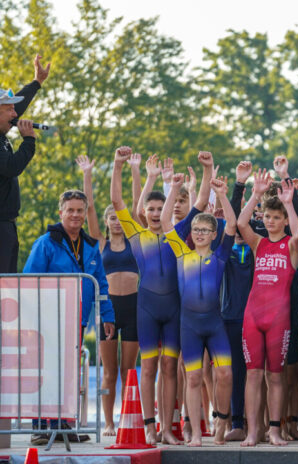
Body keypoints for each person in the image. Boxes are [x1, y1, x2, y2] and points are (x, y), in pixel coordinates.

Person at [24, 189, 115, 444]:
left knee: (69, 373)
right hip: (48, 319)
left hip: (78, 319)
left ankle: (63, 424)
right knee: (47, 371)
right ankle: (41, 427)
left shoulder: (90, 245)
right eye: (70, 210)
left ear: (86, 214)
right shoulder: (46, 243)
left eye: (80, 210)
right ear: (61, 212)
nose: (75, 215)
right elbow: (29, 280)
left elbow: (101, 284)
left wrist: (107, 315)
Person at [111, 146, 188, 445]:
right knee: (149, 366)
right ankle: (149, 426)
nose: (156, 214)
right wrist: (118, 165)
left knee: (170, 367)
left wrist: (176, 187)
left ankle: (168, 427)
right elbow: (117, 201)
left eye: (161, 209)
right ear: (144, 212)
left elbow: (195, 207)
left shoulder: (176, 233)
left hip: (173, 308)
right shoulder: (136, 234)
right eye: (151, 209)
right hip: (147, 308)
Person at [161, 171, 235, 447]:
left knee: (225, 374)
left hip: (214, 323)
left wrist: (224, 196)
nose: (201, 234)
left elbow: (232, 225)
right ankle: (193, 431)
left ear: (213, 234)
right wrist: (175, 188)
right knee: (192, 378)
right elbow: (167, 221)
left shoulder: (220, 255)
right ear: (191, 233)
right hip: (189, 325)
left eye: (205, 230)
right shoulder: (182, 253)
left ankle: (221, 422)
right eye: (196, 230)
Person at [236, 171, 298, 447]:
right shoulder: (258, 243)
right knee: (253, 374)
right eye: (268, 217)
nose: (271, 221)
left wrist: (288, 203)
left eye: (277, 218)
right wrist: (255, 195)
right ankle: (254, 431)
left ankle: (274, 430)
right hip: (253, 317)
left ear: (284, 221)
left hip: (279, 320)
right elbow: (241, 223)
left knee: (275, 377)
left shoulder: (291, 245)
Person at [76, 154, 141, 437]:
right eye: (111, 217)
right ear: (105, 221)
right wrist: (87, 175)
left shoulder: (135, 240)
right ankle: (109, 423)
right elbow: (88, 209)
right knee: (109, 372)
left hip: (134, 308)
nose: (116, 221)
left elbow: (137, 207)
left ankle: (128, 420)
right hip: (108, 310)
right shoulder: (99, 242)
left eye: (118, 217)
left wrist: (136, 172)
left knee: (129, 371)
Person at [0, 55, 50, 272]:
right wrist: (28, 140)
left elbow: (14, 109)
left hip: (6, 224)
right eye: (9, 110)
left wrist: (36, 82)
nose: (15, 115)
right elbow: (11, 167)